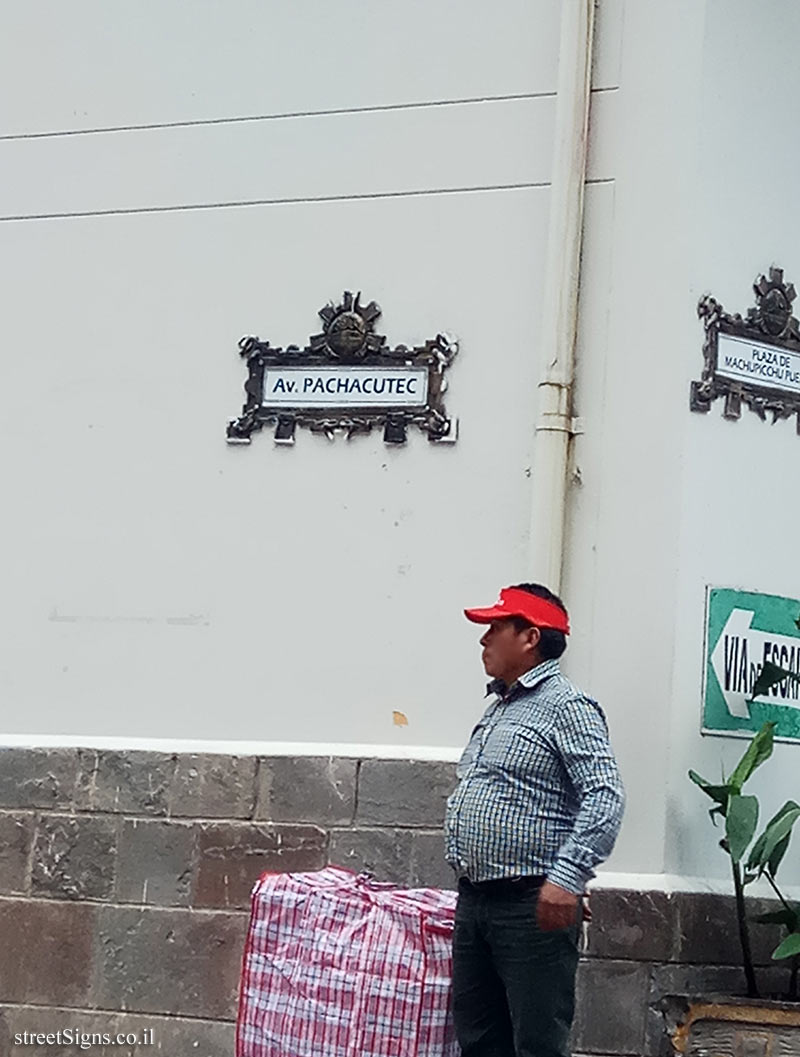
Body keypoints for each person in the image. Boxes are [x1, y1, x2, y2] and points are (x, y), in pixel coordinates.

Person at [444, 583, 625, 1057]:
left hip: (531, 906)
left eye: (495, 628)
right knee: (480, 1042)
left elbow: (605, 797)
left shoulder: (568, 707)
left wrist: (566, 880)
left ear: (530, 637)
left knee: (537, 1045)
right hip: (477, 902)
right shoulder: (499, 708)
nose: (484, 640)